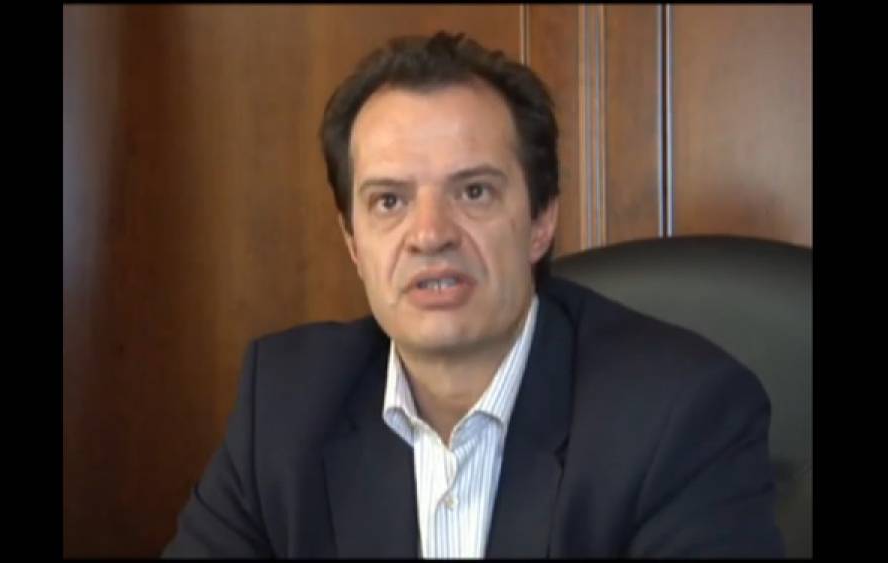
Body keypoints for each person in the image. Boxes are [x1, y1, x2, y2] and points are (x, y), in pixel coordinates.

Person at [162, 31, 784, 558]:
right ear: (353, 241)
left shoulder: (679, 416)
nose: (430, 234)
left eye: (474, 192)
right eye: (389, 201)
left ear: (541, 220)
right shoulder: (285, 408)